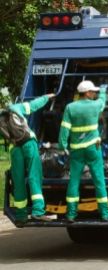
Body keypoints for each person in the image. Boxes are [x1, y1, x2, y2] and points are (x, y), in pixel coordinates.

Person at [58, 80, 108, 222]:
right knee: (99, 180)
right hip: (93, 149)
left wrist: (62, 145)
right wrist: (103, 91)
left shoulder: (70, 107)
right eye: (93, 91)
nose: (94, 93)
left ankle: (71, 214)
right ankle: (105, 214)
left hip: (76, 151)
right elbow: (102, 101)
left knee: (74, 181)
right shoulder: (95, 106)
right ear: (87, 93)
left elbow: (64, 128)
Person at [9, 93, 56, 225]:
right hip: (28, 143)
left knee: (18, 180)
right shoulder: (15, 108)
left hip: (15, 148)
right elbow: (33, 105)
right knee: (34, 176)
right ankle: (38, 212)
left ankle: (21, 216)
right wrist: (47, 97)